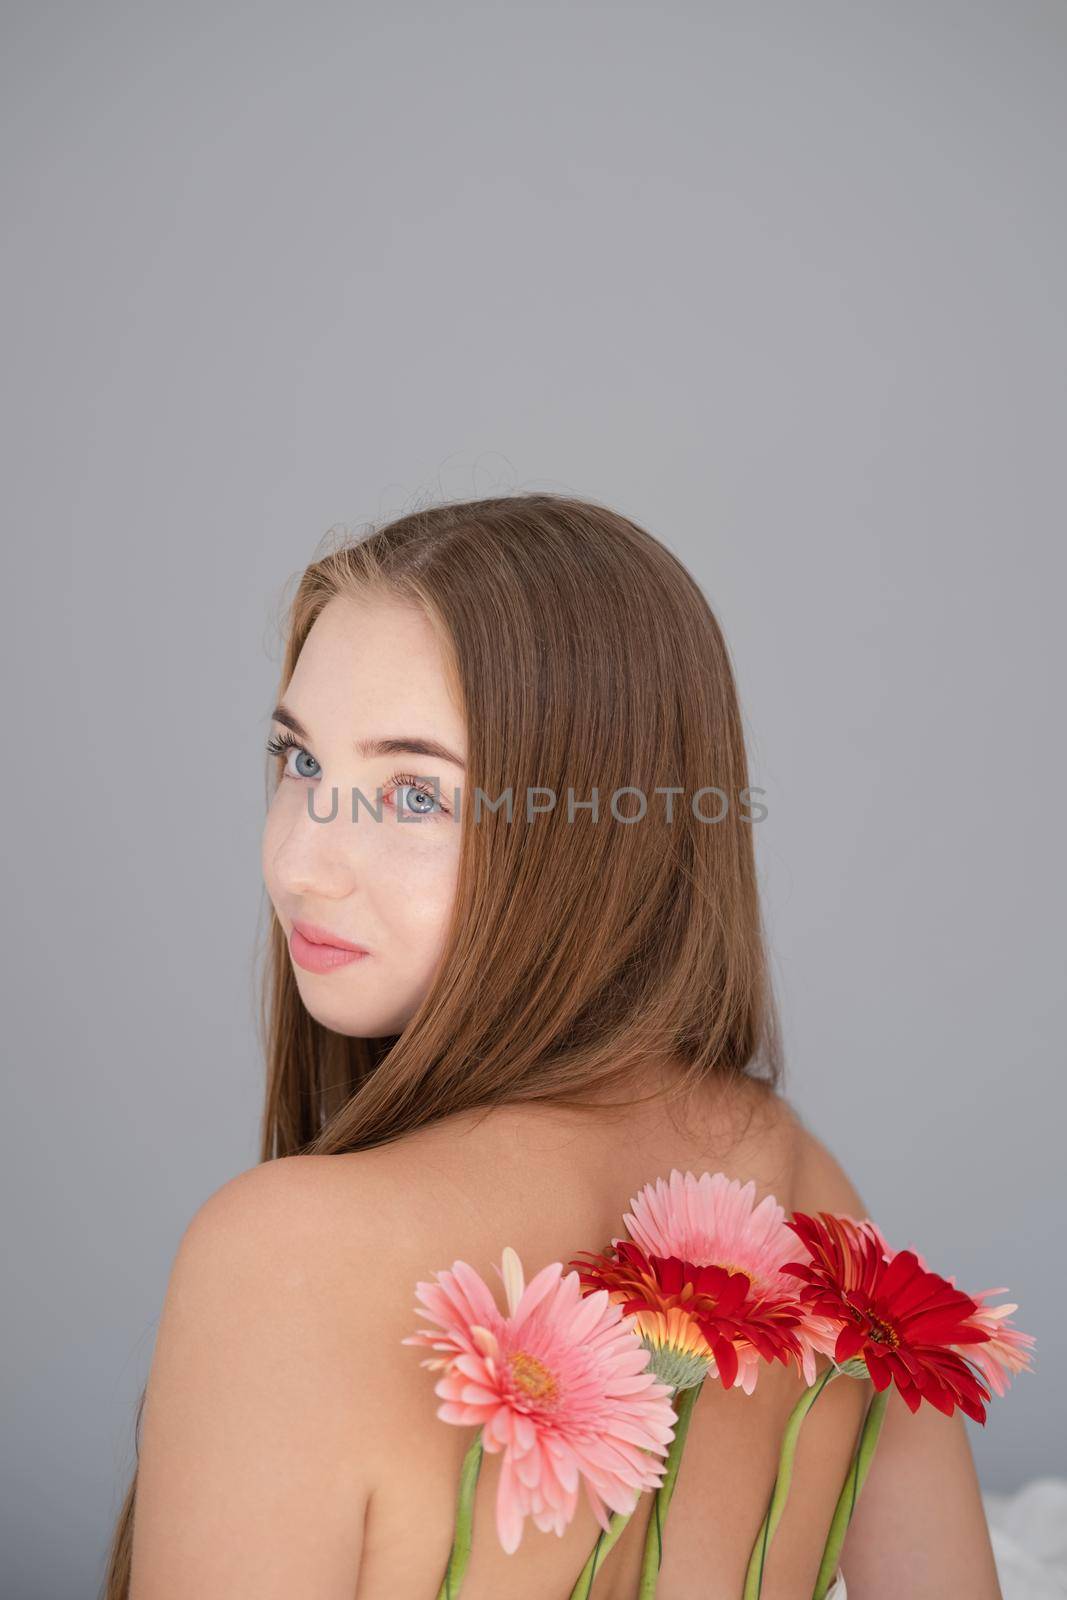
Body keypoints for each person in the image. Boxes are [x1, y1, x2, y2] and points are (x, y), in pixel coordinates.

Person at [104, 493, 1002, 1599]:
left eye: (414, 793)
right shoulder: (815, 1213)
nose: (299, 864)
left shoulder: (280, 1254)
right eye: (298, 762)